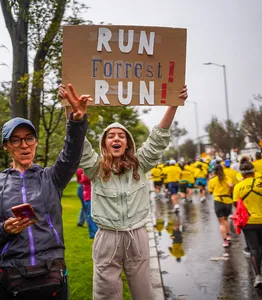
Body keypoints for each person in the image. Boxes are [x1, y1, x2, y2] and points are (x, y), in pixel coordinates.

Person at [59, 84, 188, 300]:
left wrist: (174, 104)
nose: (116, 139)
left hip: (136, 236)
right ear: (104, 144)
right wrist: (70, 109)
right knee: (106, 294)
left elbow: (158, 138)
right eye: (111, 136)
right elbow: (79, 145)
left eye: (121, 135)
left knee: (143, 293)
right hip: (107, 238)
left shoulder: (141, 164)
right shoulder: (95, 168)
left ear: (127, 143)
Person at [0, 84, 89, 299]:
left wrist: (76, 121)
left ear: (36, 143)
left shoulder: (51, 177)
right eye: (16, 139)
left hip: (52, 272)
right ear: (6, 146)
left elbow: (71, 154)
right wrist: (5, 229)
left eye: (29, 138)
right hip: (12, 276)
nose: (24, 145)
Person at [233, 161, 262, 288]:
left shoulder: (238, 187)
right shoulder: (261, 182)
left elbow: (235, 205)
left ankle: (258, 277)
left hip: (248, 222)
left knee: (253, 248)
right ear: (253, 172)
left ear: (242, 174)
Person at [208, 165, 233, 248]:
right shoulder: (227, 178)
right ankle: (228, 236)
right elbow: (231, 185)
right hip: (228, 201)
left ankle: (225, 241)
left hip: (218, 201)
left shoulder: (212, 180)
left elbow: (210, 192)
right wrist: (230, 191)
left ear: (214, 172)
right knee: (226, 220)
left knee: (221, 223)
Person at [76, 168, 98, 238]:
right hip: (89, 195)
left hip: (88, 194)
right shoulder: (85, 173)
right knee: (90, 215)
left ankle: (94, 232)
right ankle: (93, 233)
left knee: (88, 213)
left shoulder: (81, 171)